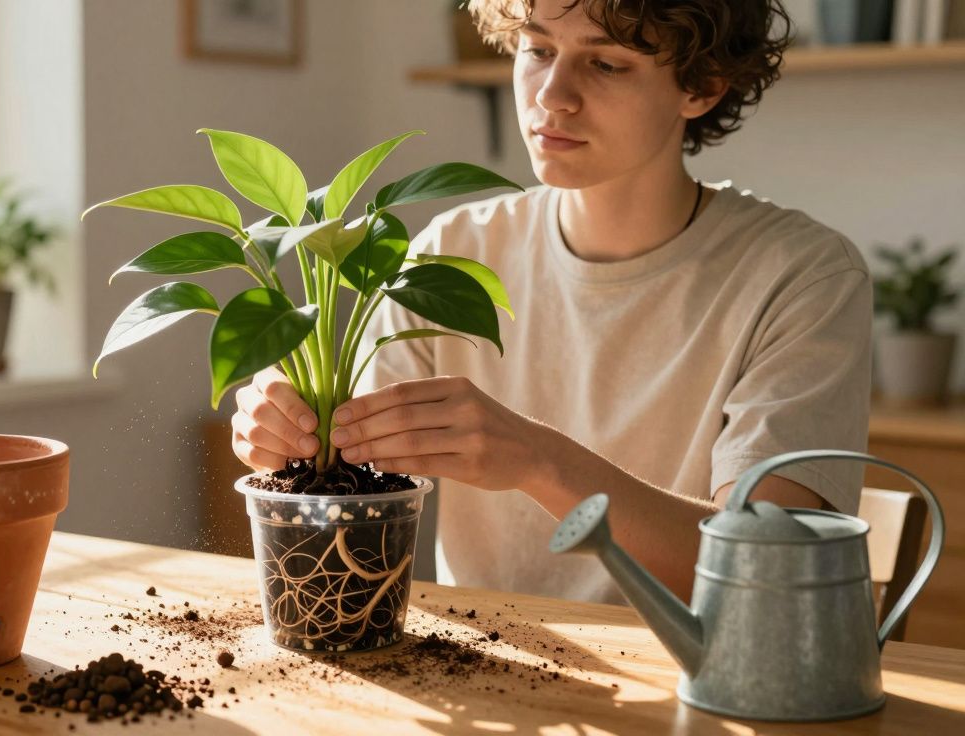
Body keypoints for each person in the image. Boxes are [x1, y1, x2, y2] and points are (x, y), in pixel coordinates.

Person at [230, 0, 871, 603]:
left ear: (702, 86)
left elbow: (769, 569)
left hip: (692, 674)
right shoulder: (452, 252)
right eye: (537, 50)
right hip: (486, 662)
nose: (551, 96)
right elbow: (352, 477)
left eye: (606, 63)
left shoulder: (802, 276)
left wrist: (539, 461)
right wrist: (288, 437)